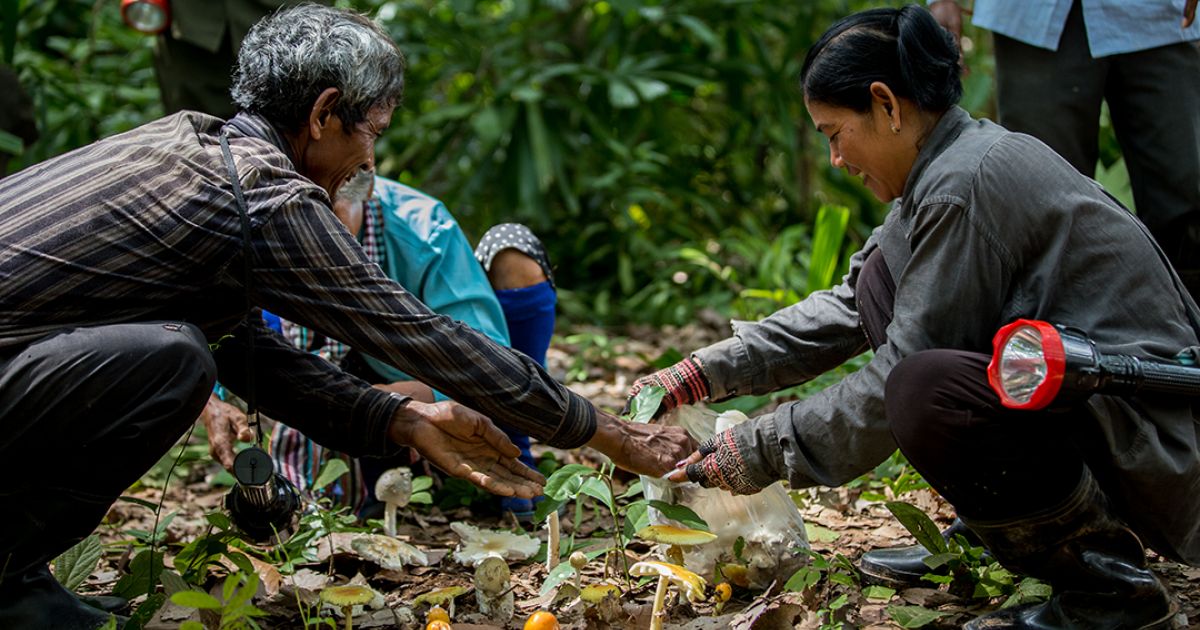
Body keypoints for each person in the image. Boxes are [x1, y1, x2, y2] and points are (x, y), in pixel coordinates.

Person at [0, 6, 691, 628]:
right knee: (171, 360)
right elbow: (422, 336)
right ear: (324, 114)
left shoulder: (189, 146)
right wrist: (605, 432)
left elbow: (252, 357)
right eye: (373, 133)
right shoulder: (265, 199)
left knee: (186, 349)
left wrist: (398, 419)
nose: (370, 159)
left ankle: (18, 577)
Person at [633, 6, 1198, 628]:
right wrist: (701, 372)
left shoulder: (964, 184)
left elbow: (894, 380)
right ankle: (997, 536)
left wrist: (756, 447)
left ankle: (1112, 594)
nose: (836, 160)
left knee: (927, 390)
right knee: (880, 280)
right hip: (1097, 411)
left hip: (1151, 439)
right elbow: (850, 306)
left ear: (887, 105)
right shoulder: (953, 161)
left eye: (833, 133)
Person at [204, 172, 557, 519]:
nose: (318, 242)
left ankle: (513, 447)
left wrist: (381, 402)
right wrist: (215, 400)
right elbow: (218, 334)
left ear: (365, 194)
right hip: (330, 395)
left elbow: (488, 358)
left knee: (511, 248)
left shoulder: (424, 229)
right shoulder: (265, 223)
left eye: (332, 222)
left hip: (418, 385)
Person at [928, 0, 1200, 299]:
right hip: (1033, 17)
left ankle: (1188, 327)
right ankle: (1060, 335)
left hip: (1158, 16)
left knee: (1186, 192)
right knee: (1039, 203)